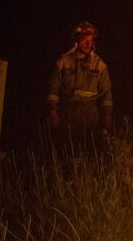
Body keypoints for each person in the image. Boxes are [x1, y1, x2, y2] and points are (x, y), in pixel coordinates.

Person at [48, 21, 113, 149]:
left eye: (91, 40)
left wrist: (107, 118)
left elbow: (107, 96)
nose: (88, 44)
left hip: (91, 116)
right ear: (77, 40)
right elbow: (53, 90)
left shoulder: (100, 66)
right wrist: (53, 110)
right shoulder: (63, 62)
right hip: (68, 114)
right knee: (67, 152)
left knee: (89, 152)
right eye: (84, 40)